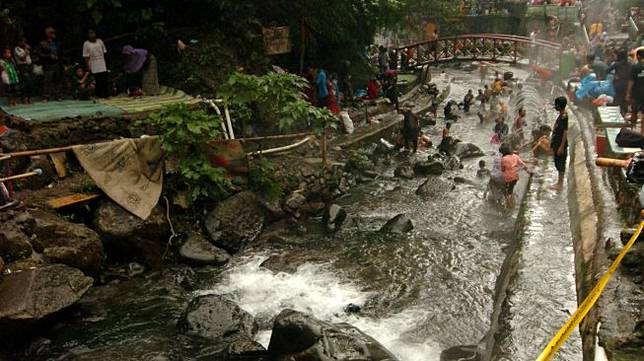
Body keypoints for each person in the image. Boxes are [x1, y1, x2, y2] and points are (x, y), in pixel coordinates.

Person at [37, 27, 64, 101]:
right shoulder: (42, 43)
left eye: (54, 32)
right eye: (52, 32)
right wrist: (49, 56)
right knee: (47, 81)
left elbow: (61, 53)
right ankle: (46, 97)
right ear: (48, 34)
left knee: (58, 80)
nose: (54, 34)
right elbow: (39, 54)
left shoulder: (57, 43)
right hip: (48, 64)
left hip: (57, 64)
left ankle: (59, 96)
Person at [501, 144, 530, 209]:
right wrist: (527, 170)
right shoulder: (515, 156)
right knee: (511, 188)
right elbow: (522, 164)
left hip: (507, 177)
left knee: (507, 191)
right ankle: (510, 195)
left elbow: (502, 169)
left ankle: (509, 205)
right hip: (515, 177)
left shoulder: (503, 159)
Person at [550, 96, 569, 190]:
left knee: (561, 163)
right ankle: (559, 182)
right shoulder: (561, 115)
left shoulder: (564, 117)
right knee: (557, 162)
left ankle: (560, 184)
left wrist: (561, 146)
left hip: (560, 143)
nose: (555, 106)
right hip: (557, 142)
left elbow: (565, 132)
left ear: (559, 105)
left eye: (556, 104)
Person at [83, 29, 108, 98]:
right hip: (93, 63)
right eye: (90, 33)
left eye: (93, 33)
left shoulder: (100, 41)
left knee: (104, 79)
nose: (92, 35)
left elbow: (104, 52)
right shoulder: (86, 44)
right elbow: (86, 56)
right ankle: (99, 94)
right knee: (97, 80)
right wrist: (88, 66)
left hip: (102, 62)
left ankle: (106, 94)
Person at [627, 49, 644, 134]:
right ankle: (642, 133)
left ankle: (632, 133)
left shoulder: (635, 67)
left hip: (636, 94)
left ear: (638, 56)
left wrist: (628, 93)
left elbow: (631, 81)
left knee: (634, 112)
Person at [14, 38, 33, 104]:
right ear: (19, 42)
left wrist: (27, 49)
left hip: (29, 66)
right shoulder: (17, 49)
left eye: (24, 41)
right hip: (23, 67)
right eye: (22, 41)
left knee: (30, 83)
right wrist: (26, 50)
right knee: (26, 82)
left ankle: (28, 97)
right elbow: (22, 58)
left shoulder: (25, 48)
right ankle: (24, 98)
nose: (24, 43)